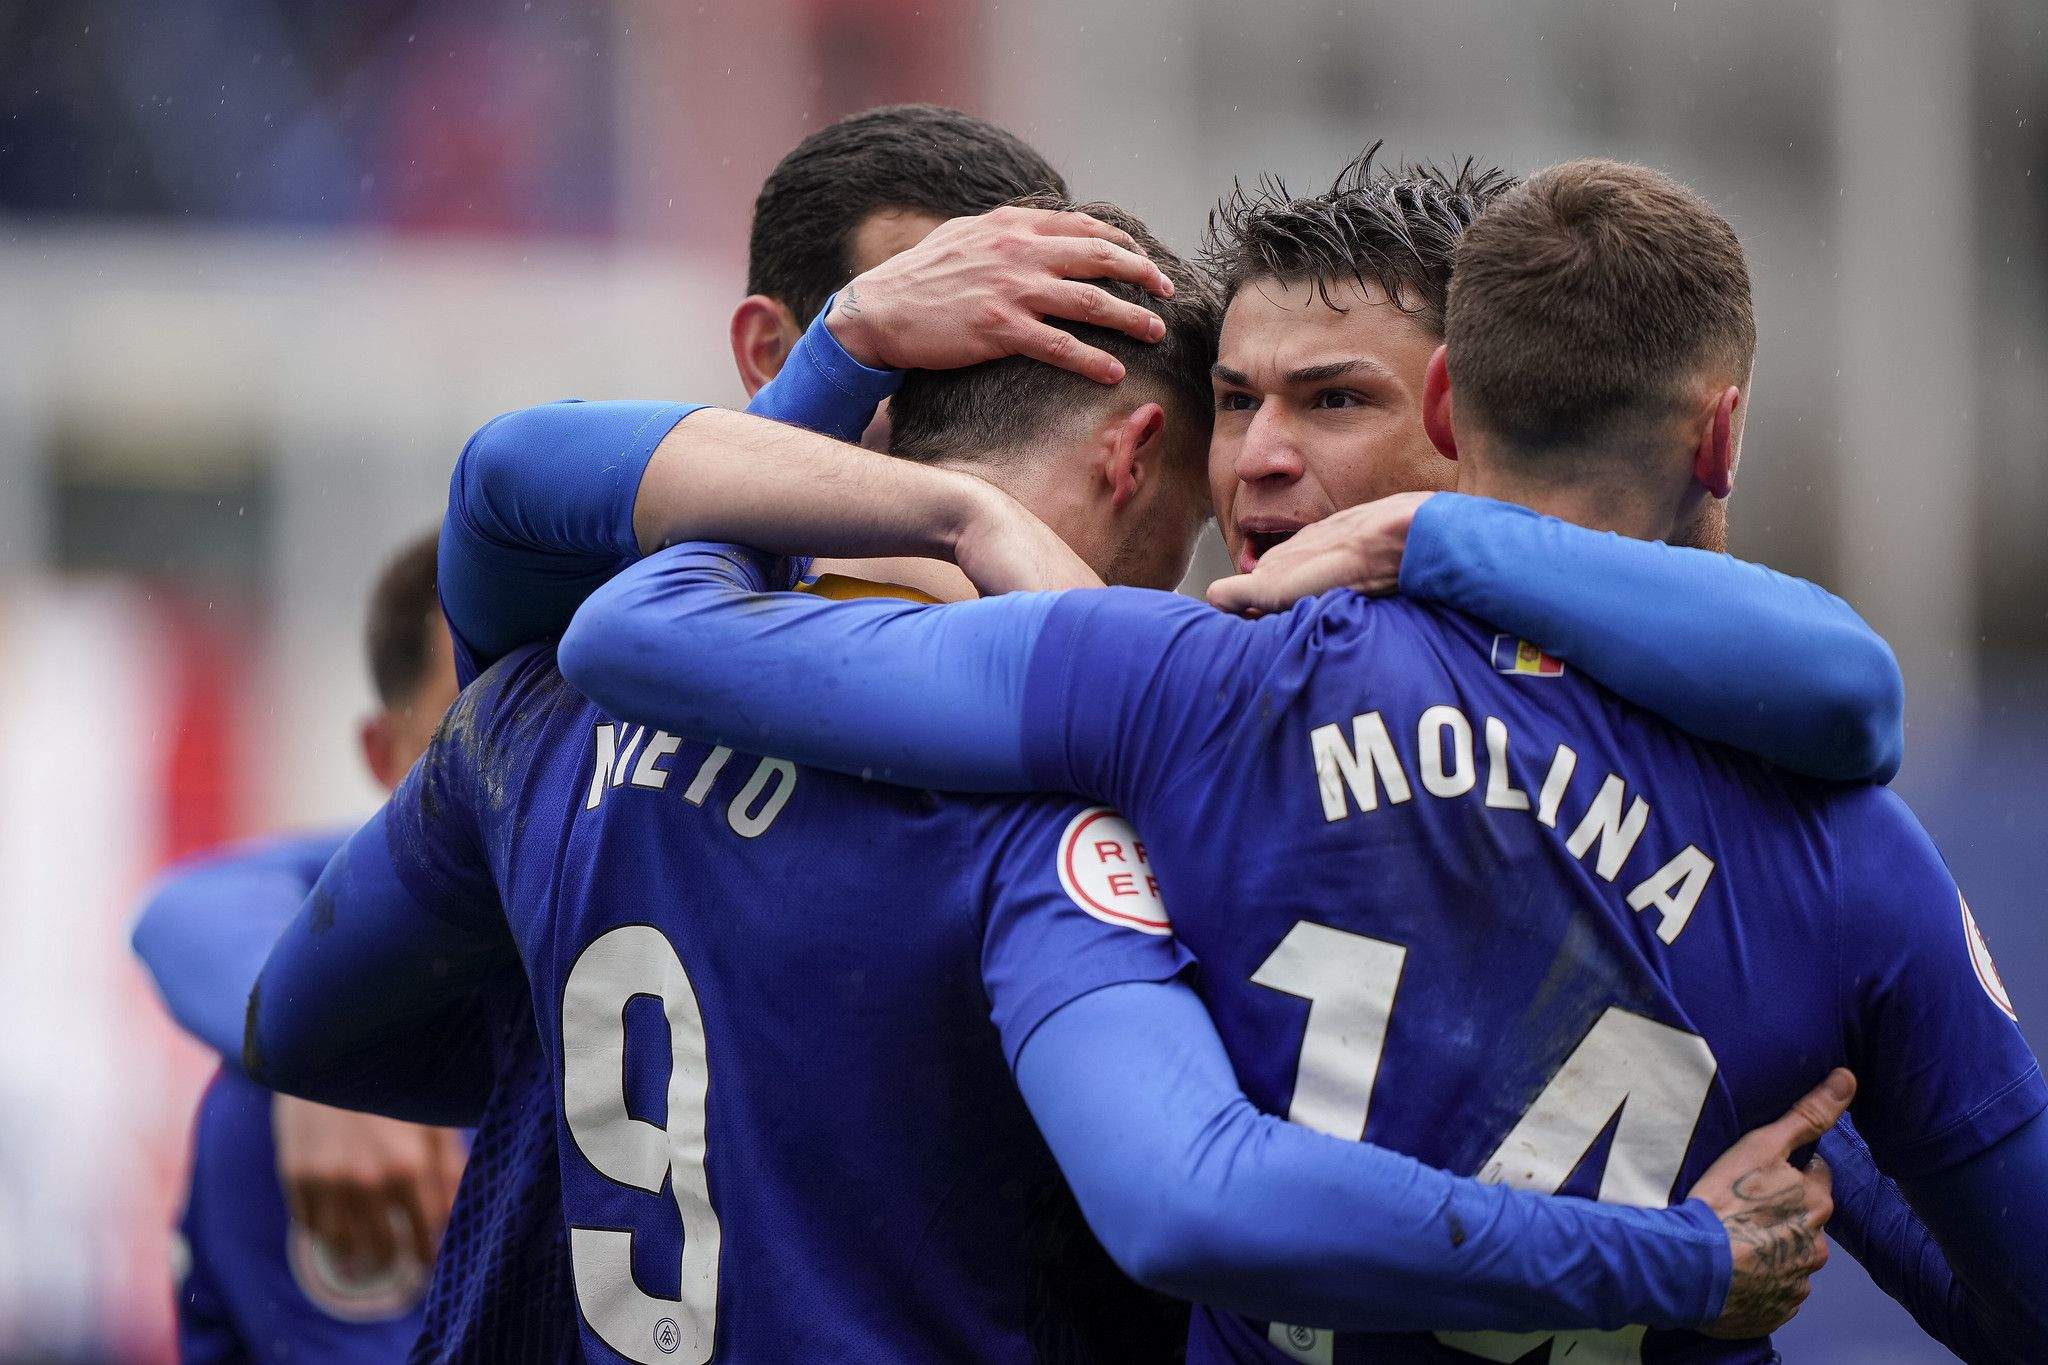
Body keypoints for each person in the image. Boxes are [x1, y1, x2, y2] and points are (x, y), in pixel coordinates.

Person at [252, 194, 1851, 1364]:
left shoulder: (543, 717)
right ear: (1137, 454)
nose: (1252, 494)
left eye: (1327, 403)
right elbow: (1190, 1198)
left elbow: (291, 1018)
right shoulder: (1068, 827)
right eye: (1231, 415)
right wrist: (1680, 1261)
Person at [132, 534, 465, 1362]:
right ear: (385, 759)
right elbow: (187, 905)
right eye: (472, 746)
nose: (532, 785)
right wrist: (323, 1049)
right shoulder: (289, 1113)